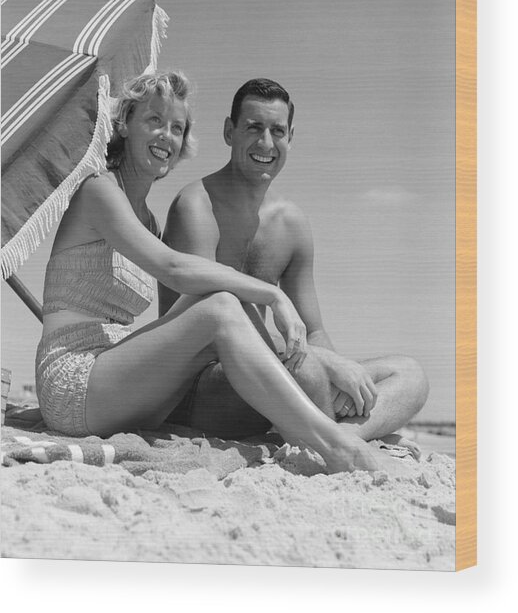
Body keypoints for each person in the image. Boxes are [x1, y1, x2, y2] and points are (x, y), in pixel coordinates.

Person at [35, 69, 392, 475]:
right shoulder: (98, 190)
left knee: (392, 371)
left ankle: (328, 428)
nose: (166, 136)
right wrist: (272, 295)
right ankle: (333, 443)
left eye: (177, 127)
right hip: (74, 383)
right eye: (153, 120)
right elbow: (174, 268)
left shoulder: (148, 220)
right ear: (125, 124)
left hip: (117, 375)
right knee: (221, 307)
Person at [158, 78, 429, 454]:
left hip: (273, 374)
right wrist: (323, 366)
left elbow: (314, 331)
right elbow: (212, 327)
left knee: (409, 373)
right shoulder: (196, 207)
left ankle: (341, 436)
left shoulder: (291, 223)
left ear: (290, 138)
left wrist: (341, 378)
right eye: (253, 127)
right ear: (228, 131)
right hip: (203, 386)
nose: (266, 143)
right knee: (307, 369)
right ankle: (330, 436)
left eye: (278, 131)